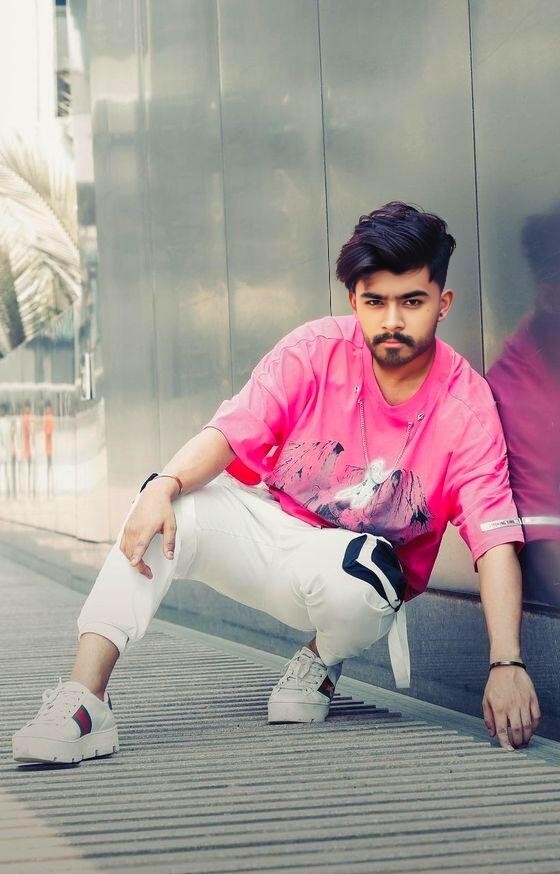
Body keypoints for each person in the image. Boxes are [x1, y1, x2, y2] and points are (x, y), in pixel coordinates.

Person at [13, 201, 540, 765]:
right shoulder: (314, 350)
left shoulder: (466, 407)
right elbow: (227, 433)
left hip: (348, 572)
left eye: (411, 301)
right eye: (375, 302)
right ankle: (85, 699)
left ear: (443, 303)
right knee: (163, 504)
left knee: (364, 573)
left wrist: (506, 663)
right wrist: (164, 483)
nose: (392, 321)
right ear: (354, 302)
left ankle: (319, 660)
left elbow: (494, 542)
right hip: (265, 527)